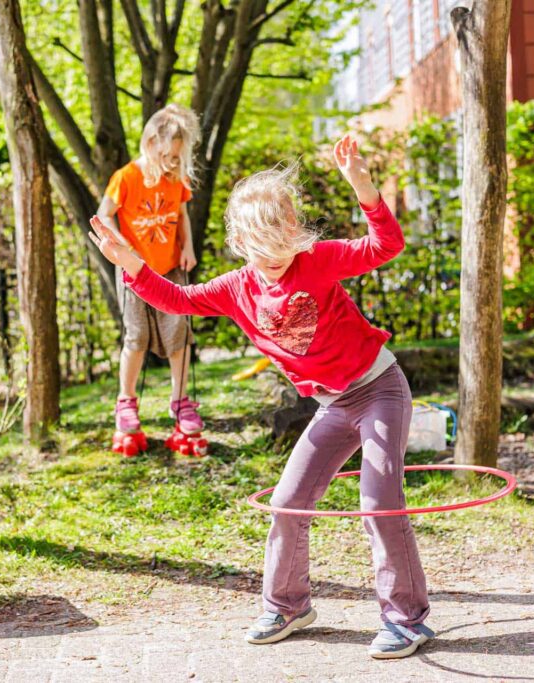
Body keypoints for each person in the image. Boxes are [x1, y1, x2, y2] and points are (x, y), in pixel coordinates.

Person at [89, 135, 434, 659]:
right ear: (241, 243)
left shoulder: (317, 261)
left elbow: (385, 247)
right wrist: (133, 264)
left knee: (378, 502)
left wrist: (364, 189)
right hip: (333, 405)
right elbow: (177, 300)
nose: (273, 260)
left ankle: (406, 619)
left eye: (281, 245)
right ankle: (289, 604)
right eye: (260, 249)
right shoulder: (235, 288)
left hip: (379, 389)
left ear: (294, 232)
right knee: (288, 502)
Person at [96, 104, 206, 456]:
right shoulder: (126, 177)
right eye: (167, 155)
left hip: (171, 267)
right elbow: (103, 215)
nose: (172, 162)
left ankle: (180, 401)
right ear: (149, 143)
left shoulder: (176, 178)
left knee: (179, 335)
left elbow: (183, 213)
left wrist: (187, 245)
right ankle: (126, 402)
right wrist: (122, 247)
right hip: (133, 269)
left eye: (177, 157)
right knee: (137, 336)